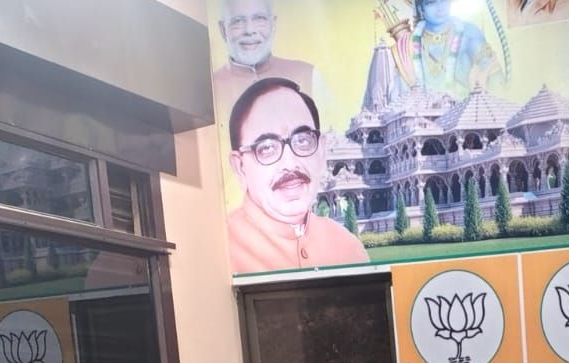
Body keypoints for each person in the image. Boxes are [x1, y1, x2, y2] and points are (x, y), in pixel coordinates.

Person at [225, 79, 369, 274]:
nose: (290, 163)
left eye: (302, 141)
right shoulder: (219, 249)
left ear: (321, 151)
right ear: (240, 167)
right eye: (267, 147)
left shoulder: (348, 248)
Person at [211, 0, 328, 127]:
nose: (249, 30)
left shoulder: (308, 76)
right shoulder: (210, 89)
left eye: (259, 18)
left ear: (273, 24)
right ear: (223, 29)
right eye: (238, 21)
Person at [387, 0, 504, 98]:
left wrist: (481, 94)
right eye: (431, 2)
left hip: (468, 114)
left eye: (444, 0)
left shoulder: (469, 34)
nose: (440, 8)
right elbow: (397, 94)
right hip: (418, 115)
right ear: (420, 8)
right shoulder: (404, 49)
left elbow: (496, 80)